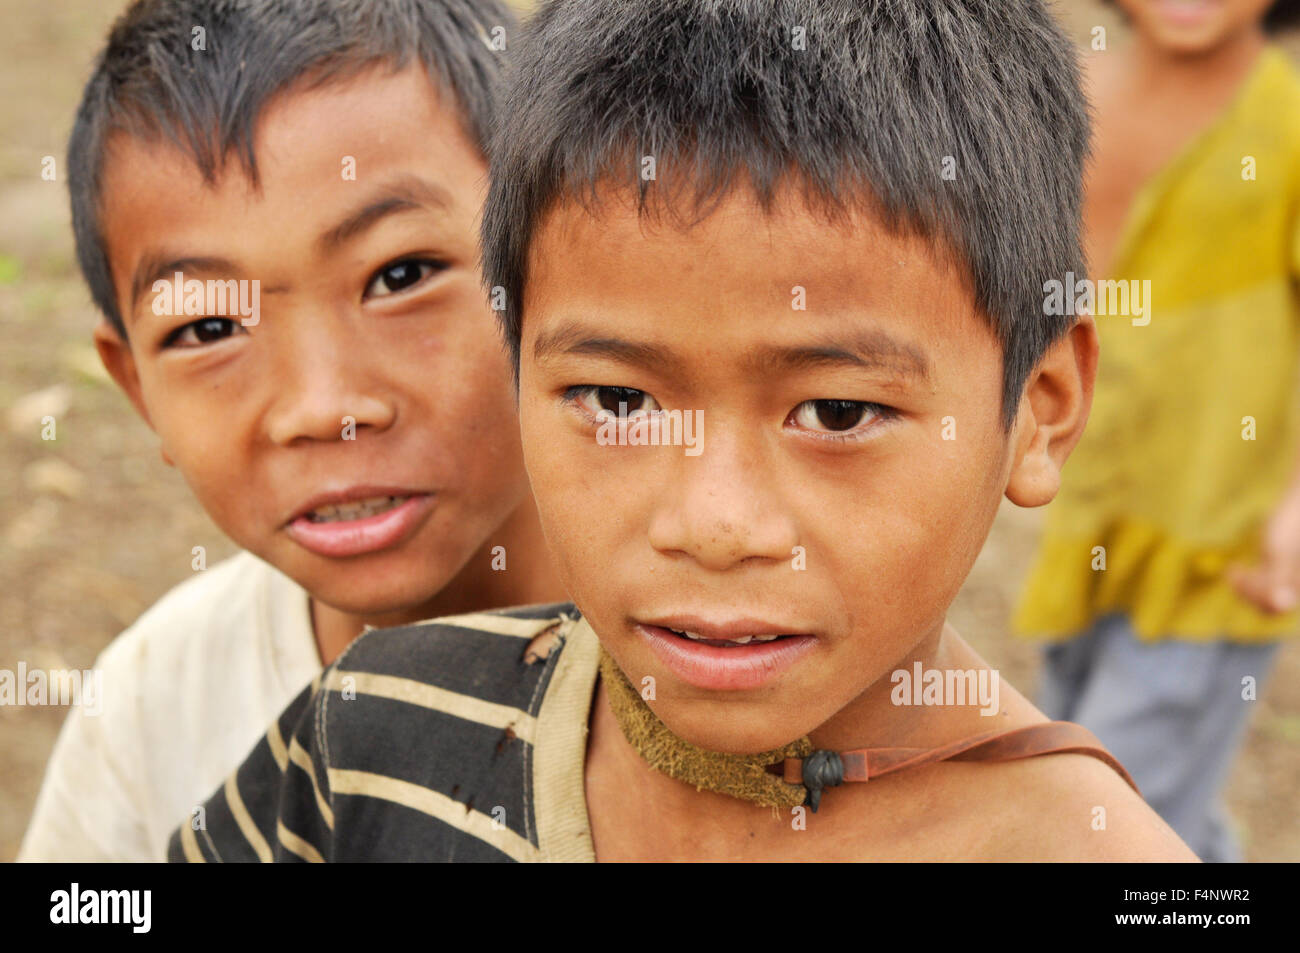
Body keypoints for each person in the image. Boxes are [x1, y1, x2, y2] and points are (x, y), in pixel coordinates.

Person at [170, 0, 1198, 862]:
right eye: (618, 401)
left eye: (837, 412)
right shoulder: (370, 736)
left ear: (1042, 405)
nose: (713, 524)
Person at [20, 0, 565, 862]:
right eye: (208, 328)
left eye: (402, 274)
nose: (324, 404)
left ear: (550, 261)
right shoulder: (153, 708)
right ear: (135, 388)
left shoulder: (727, 646)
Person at [1015, 0, 1300, 862]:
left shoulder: (1284, 125)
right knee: (1119, 779)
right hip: (1090, 516)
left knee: (1102, 811)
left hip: (1216, 542)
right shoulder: (1070, 92)